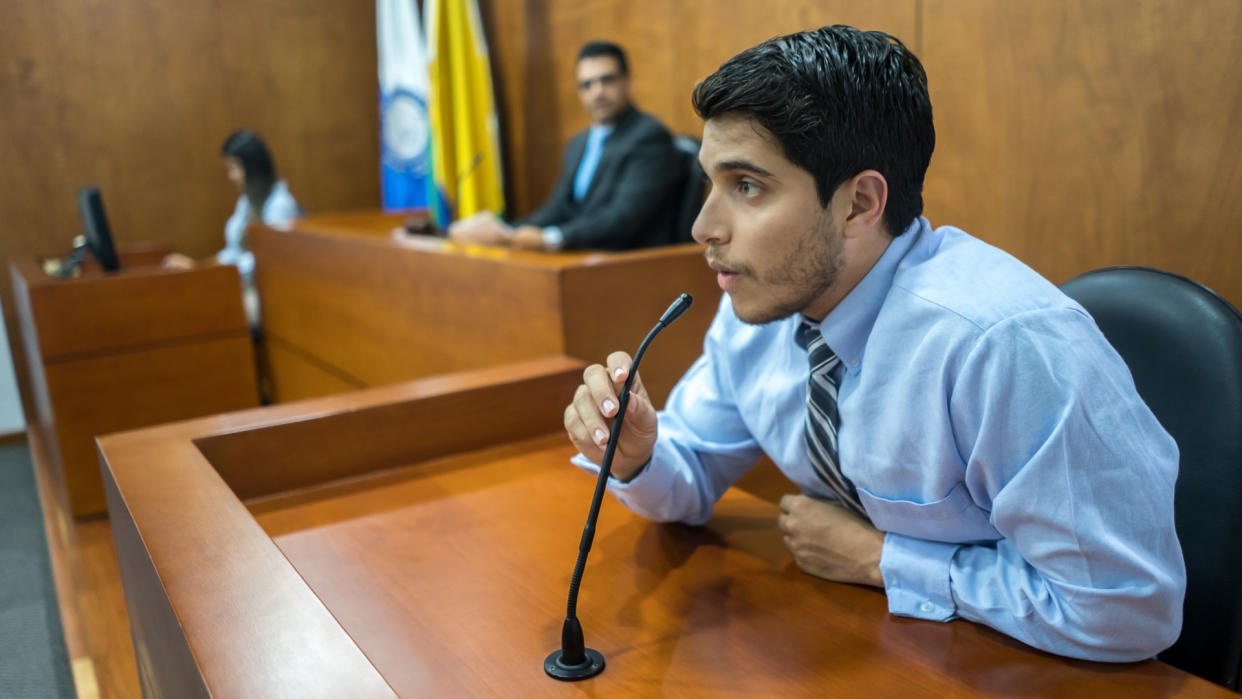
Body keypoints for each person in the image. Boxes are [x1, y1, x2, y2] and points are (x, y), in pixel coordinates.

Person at [562, 26, 1185, 663]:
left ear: (859, 203)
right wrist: (638, 454)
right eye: (709, 184)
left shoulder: (1001, 346)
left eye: (746, 186)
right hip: (865, 650)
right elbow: (688, 477)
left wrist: (884, 560)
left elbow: (1126, 609)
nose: (703, 227)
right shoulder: (765, 307)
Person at [448, 41, 686, 252]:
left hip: (629, 263)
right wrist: (503, 231)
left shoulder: (649, 136)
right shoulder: (579, 143)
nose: (597, 91)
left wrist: (552, 238)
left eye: (607, 80)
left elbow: (623, 218)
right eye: (587, 85)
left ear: (627, 81)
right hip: (583, 258)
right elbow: (557, 210)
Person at [165, 130, 300, 328]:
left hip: (271, 296)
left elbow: (265, 263)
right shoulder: (247, 202)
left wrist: (204, 271)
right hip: (243, 289)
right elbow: (233, 252)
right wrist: (197, 267)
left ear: (253, 167)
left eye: (234, 168)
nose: (231, 176)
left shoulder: (280, 206)